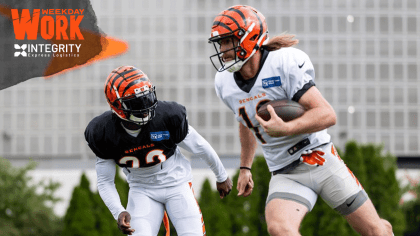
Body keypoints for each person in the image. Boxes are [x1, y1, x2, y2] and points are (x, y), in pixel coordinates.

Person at [208, 5, 393, 236]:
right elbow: (245, 120)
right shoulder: (224, 83)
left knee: (376, 232)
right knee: (280, 229)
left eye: (227, 41)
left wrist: (286, 128)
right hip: (285, 172)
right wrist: (245, 167)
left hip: (320, 160)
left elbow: (327, 114)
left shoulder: (283, 62)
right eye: (220, 43)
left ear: (249, 37)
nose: (222, 50)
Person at [85, 66, 232, 236]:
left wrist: (221, 176)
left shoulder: (167, 116)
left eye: (146, 98)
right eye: (136, 102)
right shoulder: (103, 131)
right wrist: (118, 211)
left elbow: (199, 145)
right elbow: (105, 181)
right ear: (117, 105)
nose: (145, 106)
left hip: (177, 184)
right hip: (141, 189)